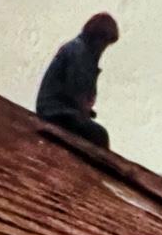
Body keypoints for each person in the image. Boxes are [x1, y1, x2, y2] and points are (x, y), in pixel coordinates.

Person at [36, 13, 119, 149]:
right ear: (97, 37)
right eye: (104, 42)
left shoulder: (85, 55)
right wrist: (83, 109)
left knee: (97, 134)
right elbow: (76, 89)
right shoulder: (78, 52)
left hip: (62, 109)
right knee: (99, 135)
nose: (104, 48)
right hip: (55, 111)